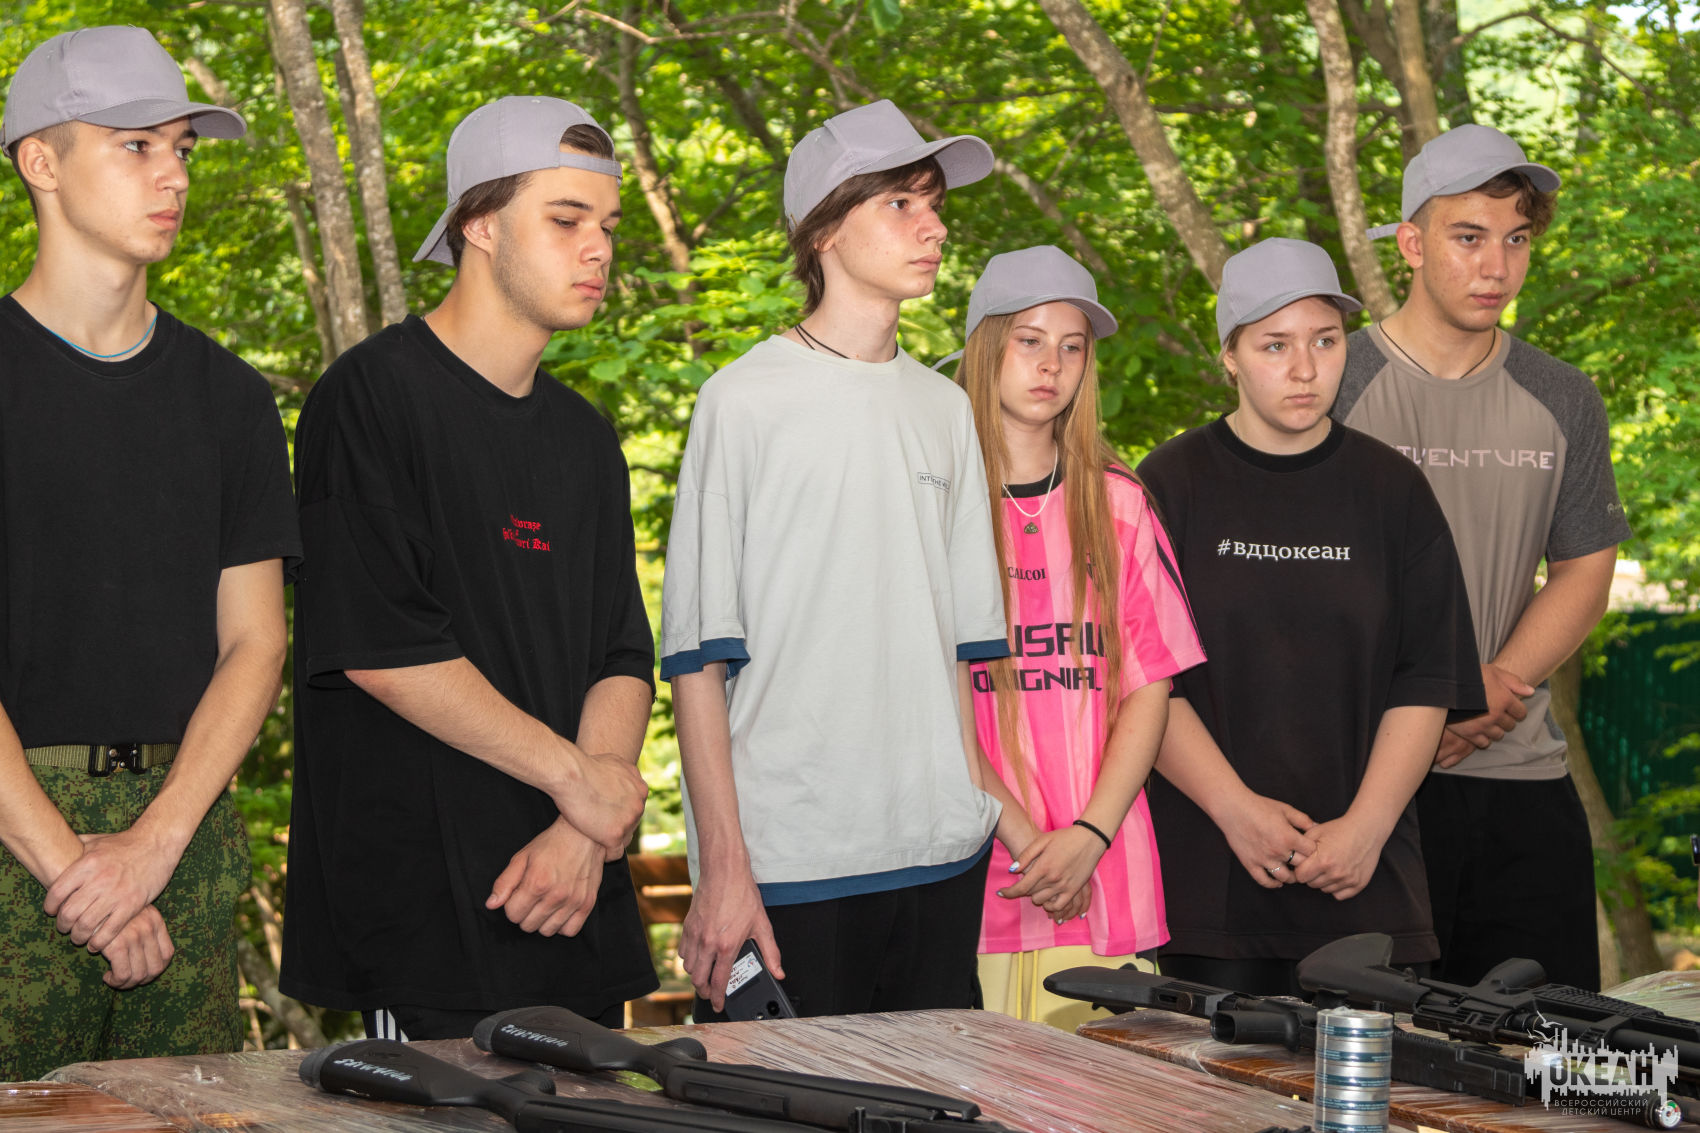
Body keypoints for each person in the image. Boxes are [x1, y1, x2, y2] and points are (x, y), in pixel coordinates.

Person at [282, 95, 656, 1040]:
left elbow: (622, 653)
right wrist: (582, 783)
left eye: (608, 225)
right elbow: (382, 649)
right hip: (428, 926)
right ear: (479, 224)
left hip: (575, 902)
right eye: (566, 220)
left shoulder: (586, 438)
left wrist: (584, 825)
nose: (599, 249)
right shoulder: (368, 398)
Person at [661, 99, 1007, 1019]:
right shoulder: (741, 401)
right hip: (790, 868)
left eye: (935, 204)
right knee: (780, 1096)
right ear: (823, 229)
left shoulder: (944, 409)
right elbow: (696, 661)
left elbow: (960, 657)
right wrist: (723, 869)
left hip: (939, 860)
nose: (934, 227)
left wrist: (976, 811)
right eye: (901, 202)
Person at [0, 27, 298, 1077]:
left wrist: (156, 845)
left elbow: (257, 643)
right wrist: (77, 870)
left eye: (182, 148)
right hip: (13, 837)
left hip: (186, 831)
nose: (172, 173)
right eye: (135, 145)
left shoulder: (231, 398)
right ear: (41, 161)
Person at [1139, 238, 1485, 997]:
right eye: (1275, 345)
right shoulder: (1167, 484)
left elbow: (1426, 680)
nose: (1304, 369)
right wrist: (1236, 811)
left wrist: (1366, 828)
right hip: (1209, 888)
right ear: (1230, 356)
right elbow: (1144, 681)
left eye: (1325, 341)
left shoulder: (1393, 489)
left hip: (1367, 884)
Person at [1335, 125, 1630, 990]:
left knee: (1550, 1055)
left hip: (1518, 778)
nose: (1496, 266)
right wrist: (1424, 711)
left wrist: (1493, 684)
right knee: (1365, 1053)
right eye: (1469, 237)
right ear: (1411, 243)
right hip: (1362, 786)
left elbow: (1585, 571)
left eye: (1517, 239)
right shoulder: (1334, 384)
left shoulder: (1563, 395)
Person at [947, 246, 1205, 1029]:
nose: (1050, 365)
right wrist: (1031, 842)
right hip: (979, 879)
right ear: (986, 347)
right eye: (1029, 340)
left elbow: (1150, 688)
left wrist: (1089, 834)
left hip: (1103, 875)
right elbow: (932, 703)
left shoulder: (1119, 501)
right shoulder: (938, 503)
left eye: (1071, 346)